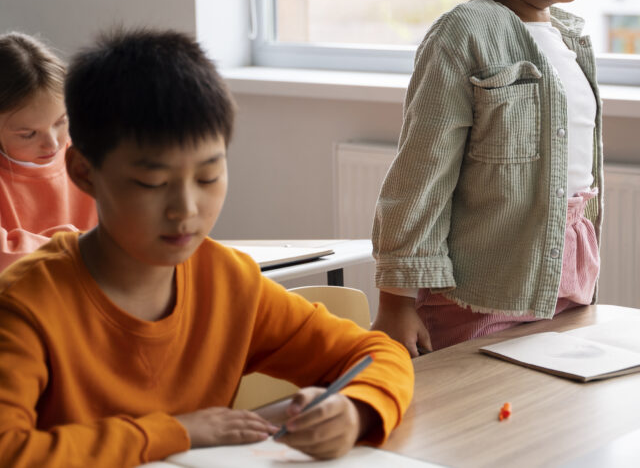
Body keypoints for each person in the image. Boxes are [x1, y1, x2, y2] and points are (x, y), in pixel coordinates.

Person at [0, 28, 413, 466]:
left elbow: (376, 353)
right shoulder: (28, 303)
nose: (185, 210)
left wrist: (356, 409)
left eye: (208, 177)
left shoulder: (227, 282)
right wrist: (176, 432)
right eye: (152, 183)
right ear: (83, 172)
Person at [372, 0, 603, 357]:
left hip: (566, 269)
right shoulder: (464, 35)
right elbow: (421, 173)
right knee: (477, 414)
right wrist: (396, 302)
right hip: (479, 287)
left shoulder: (570, 37)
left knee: (552, 409)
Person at [0, 32, 97, 272]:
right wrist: (76, 246)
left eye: (61, 122)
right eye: (28, 134)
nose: (52, 144)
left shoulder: (94, 159)